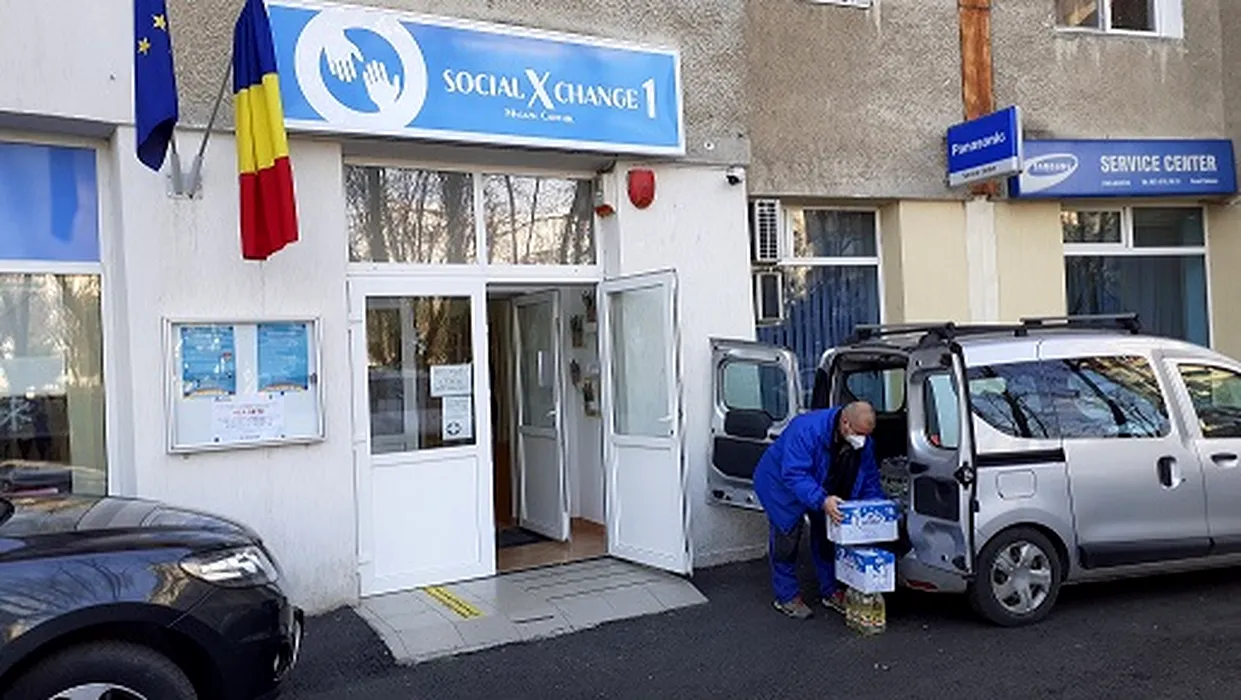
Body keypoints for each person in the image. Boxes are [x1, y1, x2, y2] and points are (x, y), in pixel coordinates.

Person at [753, 400, 885, 620]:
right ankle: (786, 596)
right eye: (859, 434)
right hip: (781, 486)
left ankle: (831, 590)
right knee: (787, 539)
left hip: (822, 484)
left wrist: (875, 507)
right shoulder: (805, 429)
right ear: (845, 423)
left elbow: (869, 477)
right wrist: (822, 500)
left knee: (827, 535)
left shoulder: (863, 441)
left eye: (866, 435)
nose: (862, 440)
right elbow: (795, 474)